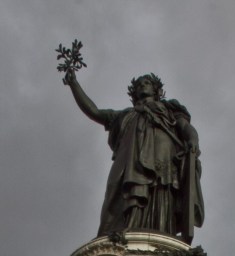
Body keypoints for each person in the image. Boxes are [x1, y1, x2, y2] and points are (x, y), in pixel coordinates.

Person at [64, 70, 204, 242]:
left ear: (157, 90)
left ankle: (159, 235)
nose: (142, 86)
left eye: (146, 83)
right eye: (138, 85)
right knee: (119, 191)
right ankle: (119, 232)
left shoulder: (169, 110)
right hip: (129, 162)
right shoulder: (124, 115)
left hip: (162, 159)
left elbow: (185, 128)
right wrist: (74, 84)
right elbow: (94, 111)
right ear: (134, 93)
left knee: (160, 191)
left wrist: (193, 140)